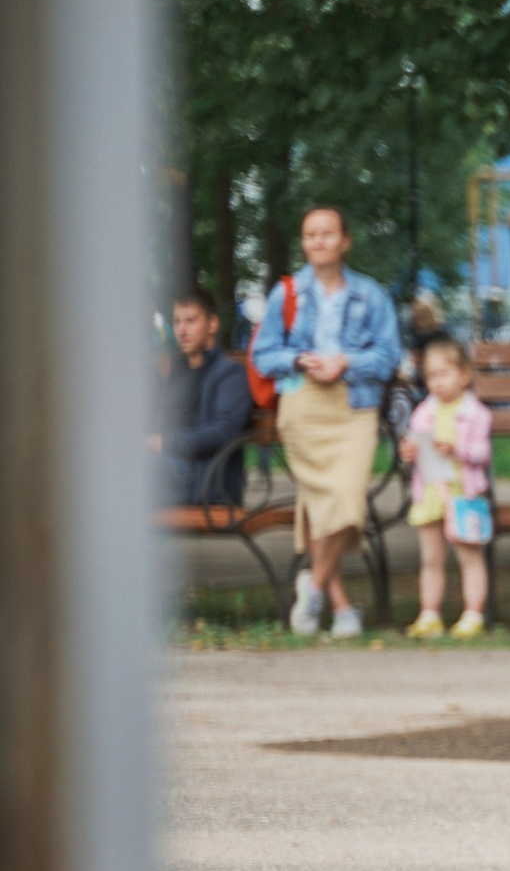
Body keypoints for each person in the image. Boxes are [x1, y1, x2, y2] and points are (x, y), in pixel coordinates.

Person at [251, 205, 404, 637]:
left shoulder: (371, 295)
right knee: (322, 507)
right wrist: (300, 358)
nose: (318, 241)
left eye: (327, 233)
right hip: (304, 408)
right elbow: (263, 355)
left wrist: (346, 362)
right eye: (310, 234)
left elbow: (389, 355)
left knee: (347, 503)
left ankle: (313, 586)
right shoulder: (287, 294)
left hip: (354, 406)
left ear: (345, 241)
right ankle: (340, 607)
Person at [400, 335, 494, 639]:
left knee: (469, 557)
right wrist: (408, 452)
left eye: (444, 373)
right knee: (430, 559)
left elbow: (482, 454)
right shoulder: (422, 413)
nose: (437, 382)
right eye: (431, 375)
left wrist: (456, 450)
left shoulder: (477, 413)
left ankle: (473, 614)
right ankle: (429, 614)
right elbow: (414, 446)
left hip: (464, 494)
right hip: (429, 494)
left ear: (464, 375)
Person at [156, 286, 254, 506]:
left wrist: (166, 443)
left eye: (191, 321)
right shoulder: (176, 373)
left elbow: (225, 431)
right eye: (177, 322)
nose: (181, 330)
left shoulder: (230, 373)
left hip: (202, 478)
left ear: (212, 324)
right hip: (168, 469)